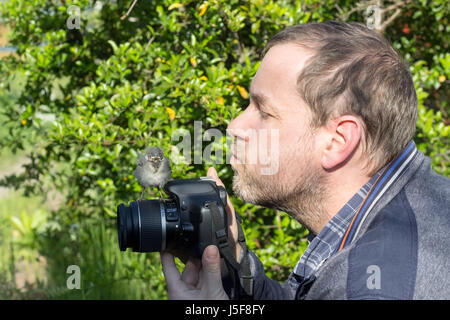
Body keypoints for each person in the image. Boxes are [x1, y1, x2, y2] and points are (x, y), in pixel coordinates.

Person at [160, 21, 450, 300]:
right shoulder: (423, 203)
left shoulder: (372, 288)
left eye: (264, 112)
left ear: (337, 141)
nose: (235, 126)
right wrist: (234, 269)